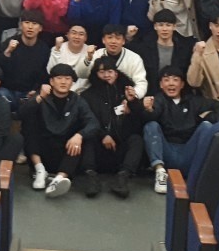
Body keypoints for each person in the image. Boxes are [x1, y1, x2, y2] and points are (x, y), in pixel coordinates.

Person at [19, 63, 101, 198]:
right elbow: (22, 114)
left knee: (82, 137)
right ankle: (40, 170)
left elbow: (93, 123)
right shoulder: (42, 96)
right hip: (42, 150)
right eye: (59, 78)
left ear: (72, 82)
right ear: (51, 81)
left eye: (67, 78)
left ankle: (59, 179)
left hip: (64, 152)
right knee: (29, 124)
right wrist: (40, 97)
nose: (63, 82)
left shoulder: (77, 100)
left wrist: (79, 135)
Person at [141, 65, 219, 191]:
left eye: (175, 80)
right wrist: (148, 109)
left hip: (188, 152)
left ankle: (201, 174)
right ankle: (160, 173)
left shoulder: (193, 101)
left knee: (206, 126)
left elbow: (218, 105)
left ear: (182, 84)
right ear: (161, 85)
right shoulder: (158, 99)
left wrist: (214, 120)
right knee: (151, 125)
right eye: (166, 80)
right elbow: (152, 114)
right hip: (166, 153)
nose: (171, 84)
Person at [81, 56, 144, 198]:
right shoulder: (87, 95)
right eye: (101, 72)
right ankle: (91, 178)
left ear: (116, 73)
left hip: (119, 148)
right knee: (86, 138)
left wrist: (132, 105)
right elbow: (87, 121)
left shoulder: (127, 94)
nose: (106, 75)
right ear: (95, 74)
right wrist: (104, 135)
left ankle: (122, 179)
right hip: (98, 148)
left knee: (136, 139)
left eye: (109, 71)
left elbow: (138, 123)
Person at [74, 23, 148, 97]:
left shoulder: (134, 58)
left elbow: (141, 83)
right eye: (109, 37)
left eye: (118, 38)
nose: (113, 41)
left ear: (123, 41)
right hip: (97, 96)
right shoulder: (95, 54)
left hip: (123, 97)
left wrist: (133, 96)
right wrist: (88, 58)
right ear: (103, 40)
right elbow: (81, 74)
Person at [0, 10, 51, 111]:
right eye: (27, 22)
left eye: (34, 23)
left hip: (29, 93)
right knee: (1, 96)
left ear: (40, 28)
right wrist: (8, 52)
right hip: (8, 90)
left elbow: (44, 75)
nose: (30, 27)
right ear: (21, 25)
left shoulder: (44, 49)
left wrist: (36, 90)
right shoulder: (9, 43)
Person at [137, 9, 193, 91]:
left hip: (177, 92)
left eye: (168, 25)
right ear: (155, 26)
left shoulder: (184, 50)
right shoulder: (144, 49)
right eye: (161, 25)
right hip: (152, 92)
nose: (164, 29)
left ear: (174, 27)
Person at [47, 23, 92, 92]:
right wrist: (57, 50)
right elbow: (51, 71)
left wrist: (71, 91)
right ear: (67, 35)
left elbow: (86, 77)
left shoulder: (90, 52)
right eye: (74, 33)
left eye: (81, 34)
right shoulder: (58, 48)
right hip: (59, 89)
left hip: (81, 91)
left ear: (86, 38)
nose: (77, 37)